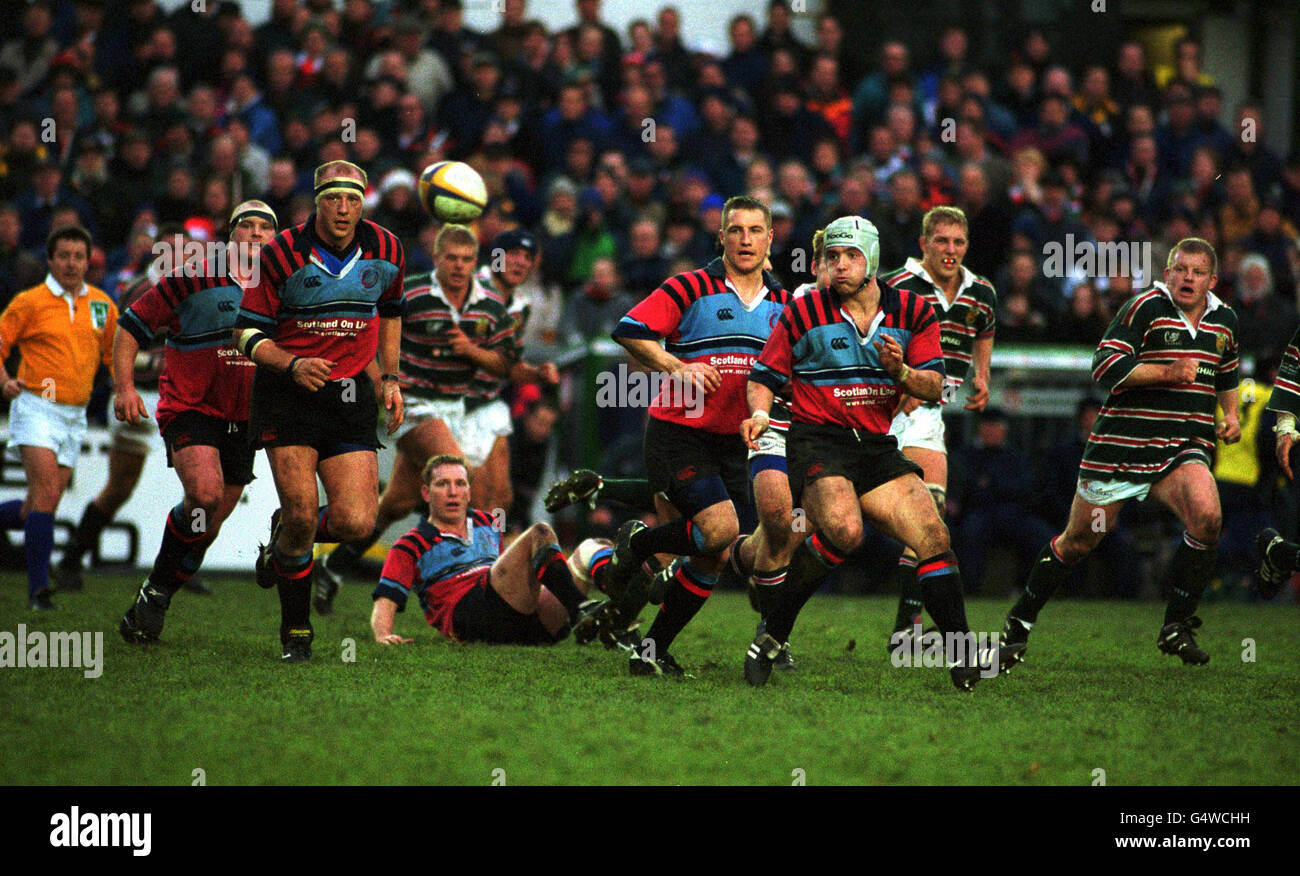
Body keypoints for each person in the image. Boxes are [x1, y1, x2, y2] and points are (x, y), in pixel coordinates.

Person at [743, 215, 983, 690]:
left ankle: (960, 650)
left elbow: (935, 385)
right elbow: (762, 378)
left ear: (872, 258)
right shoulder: (803, 312)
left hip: (875, 446)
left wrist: (902, 374)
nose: (839, 266)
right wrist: (759, 413)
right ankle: (774, 630)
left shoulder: (914, 311)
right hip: (819, 440)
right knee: (844, 530)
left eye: (851, 256)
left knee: (933, 534)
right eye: (831, 257)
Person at [998, 238, 1240, 672]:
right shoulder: (1143, 308)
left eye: (1197, 272)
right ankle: (1019, 623)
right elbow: (1105, 367)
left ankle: (1177, 625)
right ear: (1167, 273)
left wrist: (1232, 415)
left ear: (1212, 280)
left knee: (1208, 518)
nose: (1188, 278)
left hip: (1182, 448)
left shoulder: (1225, 321)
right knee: (1080, 541)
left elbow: (1227, 374)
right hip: (1121, 451)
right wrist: (1166, 371)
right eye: (1180, 269)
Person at [604, 195, 790, 677]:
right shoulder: (690, 286)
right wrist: (676, 365)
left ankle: (650, 653)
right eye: (736, 230)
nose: (745, 239)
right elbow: (628, 329)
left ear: (771, 239)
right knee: (722, 531)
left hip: (735, 440)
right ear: (721, 237)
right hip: (677, 432)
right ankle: (642, 546)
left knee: (712, 556)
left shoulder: (784, 304)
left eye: (755, 230)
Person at [232, 160, 405, 663]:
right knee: (304, 514)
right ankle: (296, 631)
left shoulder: (387, 249)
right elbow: (245, 333)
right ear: (317, 201)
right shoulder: (282, 252)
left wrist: (390, 379)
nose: (343, 209)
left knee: (356, 521)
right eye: (334, 198)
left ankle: (281, 536)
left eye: (353, 199)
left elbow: (392, 311)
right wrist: (292, 364)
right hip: (288, 393)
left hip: (350, 396)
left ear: (363, 202)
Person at [313, 224, 516, 611]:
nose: (458, 266)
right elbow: (366, 334)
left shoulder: (490, 301)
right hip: (412, 402)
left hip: (454, 407)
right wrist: (381, 382)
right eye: (450, 258)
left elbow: (505, 362)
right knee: (458, 473)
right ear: (436, 258)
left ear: (476, 263)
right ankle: (461, 581)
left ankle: (332, 566)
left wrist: (471, 351)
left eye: (466, 260)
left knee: (397, 504)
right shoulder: (414, 292)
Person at [116, 201, 278, 644]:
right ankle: (158, 594)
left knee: (209, 523)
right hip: (190, 407)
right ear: (231, 235)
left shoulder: (282, 287)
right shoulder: (191, 275)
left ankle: (156, 593)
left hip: (245, 419)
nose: (257, 234)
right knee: (204, 496)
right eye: (248, 226)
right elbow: (131, 326)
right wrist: (125, 387)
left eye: (267, 227)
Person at [50, 224, 213, 595]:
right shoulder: (140, 290)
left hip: (181, 401)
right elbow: (114, 350)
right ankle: (71, 560)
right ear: (156, 255)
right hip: (140, 399)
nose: (179, 259)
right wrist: (154, 363)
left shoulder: (201, 286)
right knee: (121, 486)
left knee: (198, 486)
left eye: (184, 252)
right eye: (170, 252)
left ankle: (180, 568)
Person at [878, 206, 997, 648]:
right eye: (942, 241)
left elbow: (983, 330)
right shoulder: (895, 284)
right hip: (880, 411)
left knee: (930, 515)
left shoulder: (981, 291)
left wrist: (981, 376)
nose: (950, 250)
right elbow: (870, 335)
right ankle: (773, 610)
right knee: (832, 521)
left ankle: (905, 630)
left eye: (958, 242)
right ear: (923, 244)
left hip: (928, 414)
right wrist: (900, 378)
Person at [0, 224, 116, 610]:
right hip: (36, 407)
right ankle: (38, 591)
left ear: (89, 261)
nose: (71, 263)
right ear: (50, 260)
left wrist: (127, 388)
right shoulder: (30, 302)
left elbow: (116, 355)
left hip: (74, 415)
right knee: (49, 494)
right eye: (64, 256)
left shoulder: (102, 305)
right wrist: (3, 378)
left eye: (78, 257)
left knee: (36, 505)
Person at [370, 454, 600, 646]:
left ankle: (618, 625)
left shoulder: (488, 522)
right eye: (442, 484)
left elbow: (508, 571)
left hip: (518, 621)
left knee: (595, 548)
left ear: (469, 492)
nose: (453, 491)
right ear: (426, 493)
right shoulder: (410, 544)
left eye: (460, 484)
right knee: (540, 531)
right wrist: (383, 634)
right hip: (468, 616)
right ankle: (580, 608)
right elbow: (386, 600)